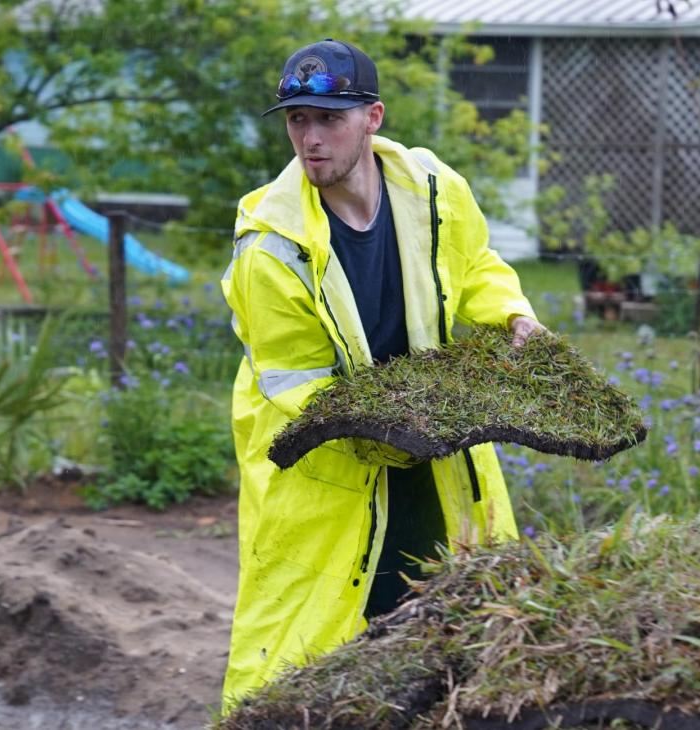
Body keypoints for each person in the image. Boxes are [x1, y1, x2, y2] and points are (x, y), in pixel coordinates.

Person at [219, 38, 546, 706]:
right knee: (303, 655)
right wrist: (394, 430)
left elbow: (475, 265)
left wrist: (512, 316)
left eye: (328, 119)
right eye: (296, 119)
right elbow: (299, 389)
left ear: (372, 118)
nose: (309, 138)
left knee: (456, 624)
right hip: (326, 473)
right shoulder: (270, 246)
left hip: (434, 455)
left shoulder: (430, 190)